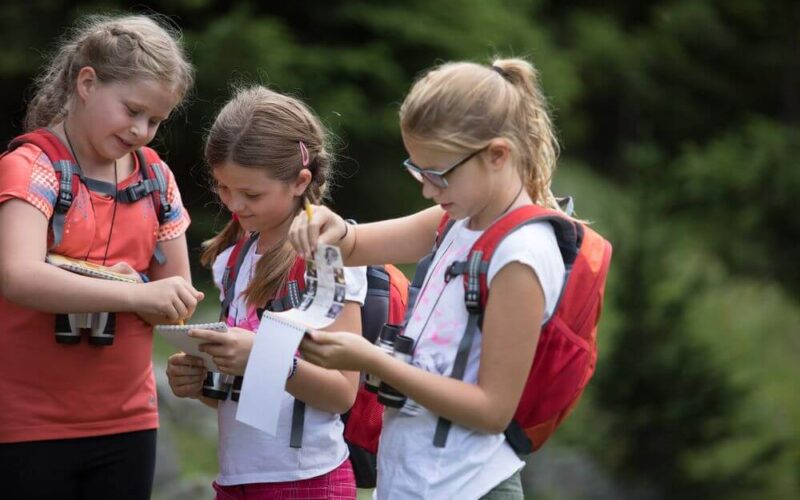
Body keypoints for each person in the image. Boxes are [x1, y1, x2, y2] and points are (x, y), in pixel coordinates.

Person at [289, 58, 567, 500]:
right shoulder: (458, 219)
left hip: (468, 485)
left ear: (497, 154)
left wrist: (373, 361)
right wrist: (329, 226)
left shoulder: (522, 255)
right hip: (415, 480)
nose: (427, 189)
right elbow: (354, 243)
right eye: (417, 170)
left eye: (438, 174)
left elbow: (493, 410)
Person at [0, 13, 201, 500]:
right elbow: (18, 276)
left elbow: (176, 293)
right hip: (28, 423)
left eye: (155, 120)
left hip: (130, 420)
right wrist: (131, 291)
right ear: (86, 83)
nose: (141, 130)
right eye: (131, 110)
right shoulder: (32, 168)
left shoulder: (156, 179)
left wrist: (166, 299)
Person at [165, 85, 367, 499]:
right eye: (223, 188)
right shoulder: (231, 260)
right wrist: (201, 380)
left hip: (309, 480)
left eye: (251, 194)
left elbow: (342, 393)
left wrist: (262, 357)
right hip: (236, 478)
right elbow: (246, 399)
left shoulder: (328, 258)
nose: (234, 204)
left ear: (300, 181)